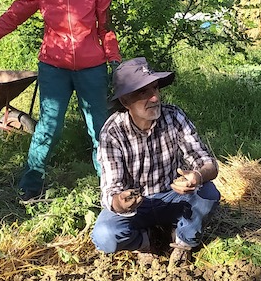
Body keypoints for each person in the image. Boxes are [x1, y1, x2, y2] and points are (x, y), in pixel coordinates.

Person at [0, 0, 121, 201]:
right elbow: (15, 14)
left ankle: (110, 185)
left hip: (92, 67)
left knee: (100, 126)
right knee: (49, 125)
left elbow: (106, 28)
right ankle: (31, 184)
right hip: (53, 66)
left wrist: (114, 58)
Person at [91, 57, 220, 266]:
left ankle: (182, 239)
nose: (154, 98)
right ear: (125, 102)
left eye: (155, 89)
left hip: (173, 197)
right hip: (137, 205)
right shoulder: (112, 132)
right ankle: (147, 242)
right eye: (143, 92)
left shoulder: (174, 117)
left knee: (208, 193)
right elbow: (110, 191)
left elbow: (207, 163)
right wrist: (120, 201)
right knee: (105, 236)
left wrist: (196, 176)